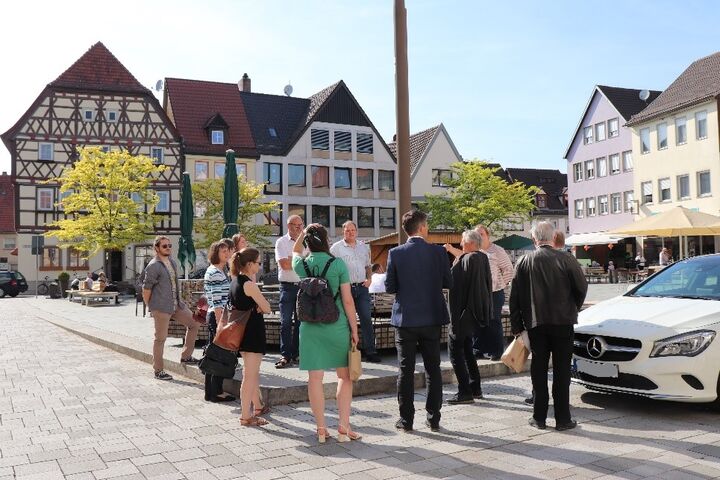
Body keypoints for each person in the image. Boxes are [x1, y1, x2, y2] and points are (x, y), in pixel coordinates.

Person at [510, 222, 587, 431]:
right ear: (553, 238)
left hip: (536, 324)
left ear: (534, 239)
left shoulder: (524, 261)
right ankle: (563, 419)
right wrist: (572, 309)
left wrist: (517, 328)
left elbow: (514, 298)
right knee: (562, 372)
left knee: (539, 370)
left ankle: (539, 417)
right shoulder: (566, 258)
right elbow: (581, 288)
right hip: (563, 322)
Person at [292, 224, 361, 442]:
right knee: (345, 377)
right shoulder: (338, 263)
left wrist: (303, 233)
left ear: (308, 242)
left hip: (310, 329)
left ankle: (321, 429)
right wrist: (355, 328)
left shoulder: (302, 264)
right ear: (327, 241)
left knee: (315, 379)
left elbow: (294, 251)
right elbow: (348, 300)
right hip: (337, 325)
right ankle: (343, 427)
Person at [386, 210, 452, 432]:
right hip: (432, 317)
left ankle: (406, 420)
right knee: (433, 369)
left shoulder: (395, 253)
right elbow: (447, 282)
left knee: (405, 370)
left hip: (405, 319)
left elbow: (390, 287)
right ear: (422, 228)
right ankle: (433, 419)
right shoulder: (438, 253)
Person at [445, 224, 513, 361]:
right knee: (476, 320)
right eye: (477, 234)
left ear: (487, 236)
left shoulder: (497, 250)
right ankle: (478, 349)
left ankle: (496, 350)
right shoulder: (468, 253)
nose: (479, 236)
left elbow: (508, 270)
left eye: (482, 234)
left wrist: (500, 285)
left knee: (493, 321)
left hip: (494, 292)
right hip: (476, 293)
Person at [142, 235, 200, 380]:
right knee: (160, 339)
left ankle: (186, 356)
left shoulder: (173, 262)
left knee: (194, 323)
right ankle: (158, 370)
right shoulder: (153, 265)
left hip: (177, 304)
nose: (168, 248)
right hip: (161, 307)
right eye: (164, 246)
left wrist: (180, 302)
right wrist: (151, 307)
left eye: (169, 245)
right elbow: (146, 288)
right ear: (156, 248)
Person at [447, 230, 492, 405]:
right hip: (476, 314)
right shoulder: (482, 258)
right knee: (467, 350)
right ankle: (475, 388)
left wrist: (454, 319)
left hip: (463, 315)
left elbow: (454, 288)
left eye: (462, 241)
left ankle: (464, 391)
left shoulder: (466, 260)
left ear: (471, 243)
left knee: (455, 351)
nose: (460, 245)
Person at [230, 248, 272, 427]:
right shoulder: (249, 285)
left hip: (242, 332)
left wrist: (258, 307)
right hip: (252, 332)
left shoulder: (235, 282)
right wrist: (260, 307)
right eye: (258, 262)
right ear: (249, 264)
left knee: (251, 373)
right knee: (250, 376)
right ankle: (245, 416)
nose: (259, 265)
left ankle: (257, 408)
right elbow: (268, 307)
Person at [330, 220, 380, 363]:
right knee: (344, 321)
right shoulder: (336, 248)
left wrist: (369, 279)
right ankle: (345, 352)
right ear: (342, 232)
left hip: (362, 288)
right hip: (345, 289)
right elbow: (331, 268)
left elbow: (368, 266)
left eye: (353, 230)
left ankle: (370, 351)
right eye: (347, 230)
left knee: (366, 319)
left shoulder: (364, 247)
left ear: (356, 231)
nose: (350, 233)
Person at [202, 241, 235, 403]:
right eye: (223, 252)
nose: (227, 254)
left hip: (220, 317)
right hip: (218, 317)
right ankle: (214, 392)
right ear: (216, 253)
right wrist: (221, 324)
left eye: (228, 251)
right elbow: (216, 301)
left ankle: (214, 391)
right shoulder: (215, 272)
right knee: (217, 356)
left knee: (215, 355)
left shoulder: (220, 271)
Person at [274, 215, 305, 368]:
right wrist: (300, 261)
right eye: (296, 225)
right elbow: (285, 265)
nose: (299, 228)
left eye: (301, 225)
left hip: (302, 286)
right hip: (286, 286)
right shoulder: (281, 242)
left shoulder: (307, 242)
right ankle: (285, 355)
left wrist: (292, 259)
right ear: (288, 226)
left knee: (301, 322)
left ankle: (296, 354)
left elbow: (309, 264)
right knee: (285, 322)